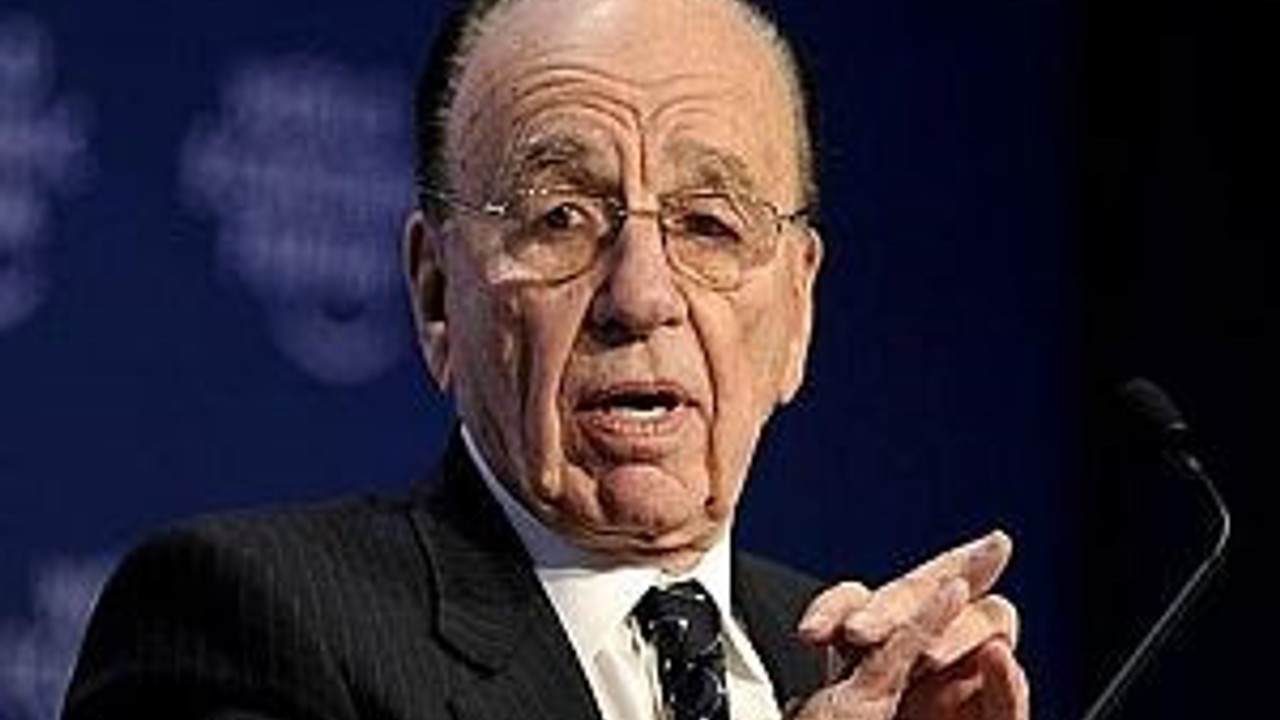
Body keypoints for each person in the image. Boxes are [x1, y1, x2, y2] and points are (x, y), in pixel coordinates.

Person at [62, 0, 1029, 718]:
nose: (641, 296)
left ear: (799, 311)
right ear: (436, 293)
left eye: (709, 224)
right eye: (560, 217)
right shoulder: (244, 623)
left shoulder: (841, 663)